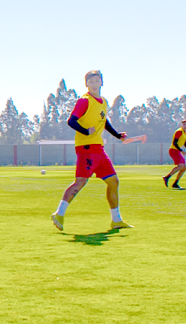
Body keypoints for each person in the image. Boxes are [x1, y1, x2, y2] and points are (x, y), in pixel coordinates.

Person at [50, 70, 131, 231]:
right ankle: (59, 213)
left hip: (99, 149)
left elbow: (104, 121)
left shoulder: (103, 102)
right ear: (86, 84)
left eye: (97, 81)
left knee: (113, 181)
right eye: (91, 81)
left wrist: (117, 135)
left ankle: (116, 220)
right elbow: (71, 121)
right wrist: (85, 131)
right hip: (86, 149)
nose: (94, 84)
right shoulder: (84, 101)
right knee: (80, 182)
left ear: (102, 83)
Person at [163, 119, 186, 190]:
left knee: (184, 168)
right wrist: (181, 150)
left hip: (177, 151)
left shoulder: (184, 133)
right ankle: (167, 177)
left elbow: (185, 144)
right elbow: (174, 143)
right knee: (181, 166)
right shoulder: (179, 132)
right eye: (184, 124)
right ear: (181, 125)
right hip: (173, 150)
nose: (185, 125)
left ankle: (175, 183)